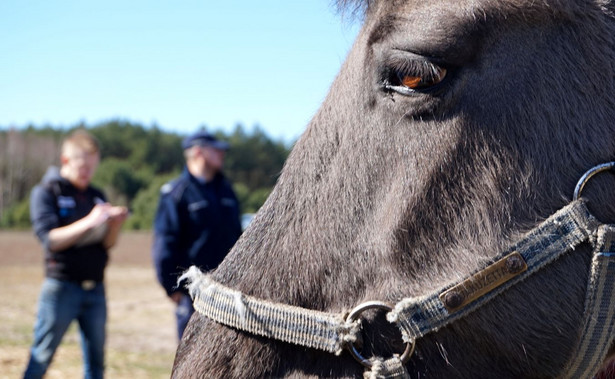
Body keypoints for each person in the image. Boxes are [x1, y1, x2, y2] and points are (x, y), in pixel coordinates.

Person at [24, 130, 129, 379]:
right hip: (61, 288)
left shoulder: (96, 195)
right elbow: (50, 239)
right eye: (83, 166)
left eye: (92, 167)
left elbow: (107, 245)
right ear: (65, 160)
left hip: (95, 290)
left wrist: (114, 226)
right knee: (41, 357)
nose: (87, 172)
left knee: (96, 364)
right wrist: (91, 221)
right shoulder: (47, 192)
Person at [152, 131, 242, 340]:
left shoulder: (226, 190)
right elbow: (164, 244)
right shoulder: (176, 193)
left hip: (229, 291)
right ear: (199, 152)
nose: (222, 154)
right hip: (193, 295)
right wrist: (172, 287)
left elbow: (238, 237)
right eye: (216, 150)